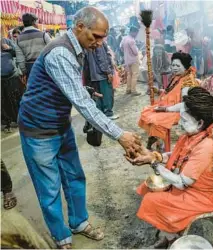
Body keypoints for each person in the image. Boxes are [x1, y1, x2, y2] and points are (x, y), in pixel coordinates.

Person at [18, 7, 141, 249]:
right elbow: (83, 105)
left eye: (103, 38)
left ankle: (78, 222)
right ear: (79, 27)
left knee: (74, 176)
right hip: (38, 130)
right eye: (95, 36)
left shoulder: (79, 48)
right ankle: (61, 236)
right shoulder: (60, 53)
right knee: (49, 188)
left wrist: (85, 90)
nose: (99, 43)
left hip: (60, 124)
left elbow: (71, 86)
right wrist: (119, 135)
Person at [129, 87, 213, 248]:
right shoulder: (194, 135)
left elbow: (181, 182)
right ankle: (168, 234)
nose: (179, 123)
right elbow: (178, 156)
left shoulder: (206, 146)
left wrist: (154, 164)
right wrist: (153, 156)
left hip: (204, 197)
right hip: (191, 186)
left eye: (184, 120)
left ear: (200, 122)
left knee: (153, 200)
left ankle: (171, 238)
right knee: (148, 188)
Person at [138, 51, 199, 150]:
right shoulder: (177, 76)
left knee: (156, 119)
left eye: (177, 66)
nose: (174, 68)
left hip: (179, 111)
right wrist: (158, 91)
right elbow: (170, 92)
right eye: (173, 65)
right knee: (147, 112)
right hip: (167, 106)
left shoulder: (188, 82)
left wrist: (166, 109)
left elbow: (185, 105)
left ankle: (159, 143)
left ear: (185, 67)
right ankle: (155, 139)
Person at [85, 40, 118, 119]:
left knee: (99, 95)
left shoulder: (89, 41)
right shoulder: (98, 42)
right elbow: (102, 58)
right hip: (102, 74)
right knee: (106, 94)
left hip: (93, 75)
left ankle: (101, 115)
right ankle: (108, 113)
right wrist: (108, 72)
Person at [15, 13, 51, 78]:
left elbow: (20, 59)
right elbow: (52, 51)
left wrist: (24, 71)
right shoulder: (43, 35)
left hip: (30, 68)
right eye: (37, 22)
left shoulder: (19, 39)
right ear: (33, 22)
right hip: (44, 66)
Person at [1, 35, 24, 133]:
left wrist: (9, 48)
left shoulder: (6, 41)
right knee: (3, 102)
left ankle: (19, 120)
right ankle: (7, 123)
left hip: (12, 77)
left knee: (16, 99)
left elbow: (17, 53)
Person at [121, 26, 141, 96]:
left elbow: (121, 47)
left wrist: (126, 53)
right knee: (135, 75)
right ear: (133, 32)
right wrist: (137, 49)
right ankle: (133, 90)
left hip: (127, 59)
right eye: (136, 33)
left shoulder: (124, 38)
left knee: (129, 74)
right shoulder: (132, 40)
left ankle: (128, 89)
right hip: (133, 60)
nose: (136, 35)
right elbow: (135, 52)